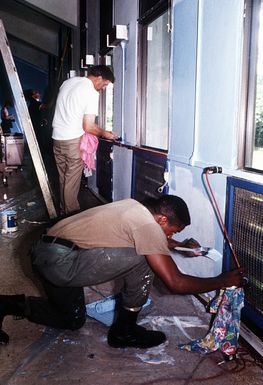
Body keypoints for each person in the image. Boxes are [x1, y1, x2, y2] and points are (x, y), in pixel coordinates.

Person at [0, 195, 244, 348]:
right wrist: (222, 280)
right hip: (60, 263)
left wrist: (179, 246)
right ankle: (124, 332)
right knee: (141, 259)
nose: (171, 236)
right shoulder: (147, 226)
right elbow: (175, 282)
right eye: (173, 230)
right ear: (161, 219)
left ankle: (6, 305)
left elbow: (147, 237)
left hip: (48, 253)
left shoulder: (134, 208)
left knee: (72, 319)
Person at [52, 65, 119, 215]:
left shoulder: (68, 82)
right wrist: (105, 133)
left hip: (57, 138)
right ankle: (70, 217)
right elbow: (88, 126)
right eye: (105, 84)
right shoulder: (90, 92)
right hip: (72, 140)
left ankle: (63, 213)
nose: (103, 88)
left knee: (63, 178)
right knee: (72, 182)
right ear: (100, 78)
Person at [28, 90, 48, 155]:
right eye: (36, 93)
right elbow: (48, 106)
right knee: (40, 142)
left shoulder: (31, 104)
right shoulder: (36, 104)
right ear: (32, 96)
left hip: (35, 126)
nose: (38, 93)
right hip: (38, 127)